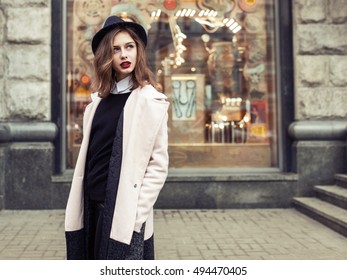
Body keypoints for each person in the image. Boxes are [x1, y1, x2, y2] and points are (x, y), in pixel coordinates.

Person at [64, 15, 169, 260]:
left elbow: (158, 165)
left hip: (124, 212)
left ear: (138, 51)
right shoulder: (96, 103)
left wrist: (136, 213)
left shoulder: (150, 102)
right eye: (116, 49)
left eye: (129, 47)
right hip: (91, 206)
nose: (124, 55)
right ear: (106, 57)